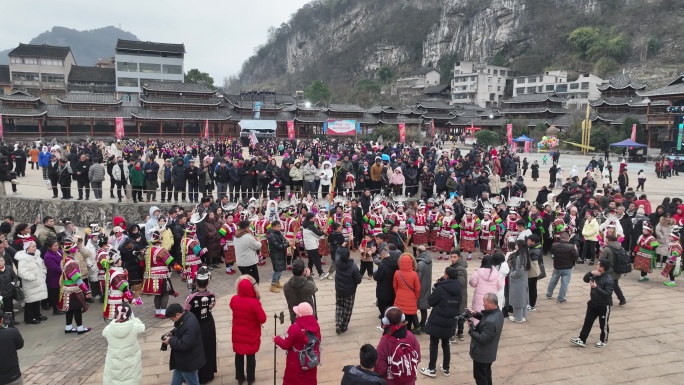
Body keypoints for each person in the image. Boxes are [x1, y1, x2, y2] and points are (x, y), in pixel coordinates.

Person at [420, 267, 460, 378]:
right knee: (446, 343)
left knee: (434, 344)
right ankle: (446, 368)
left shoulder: (441, 288)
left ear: (446, 276)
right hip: (450, 320)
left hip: (438, 320)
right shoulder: (458, 289)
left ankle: (431, 368)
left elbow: (431, 301)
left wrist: (436, 286)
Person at [229, 274, 267, 385]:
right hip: (251, 334)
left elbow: (232, 307)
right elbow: (262, 319)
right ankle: (251, 378)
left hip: (237, 333)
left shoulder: (234, 300)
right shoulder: (254, 303)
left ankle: (240, 377)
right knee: (251, 356)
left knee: (238, 355)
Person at [183, 266, 217, 384]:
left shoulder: (191, 297)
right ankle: (208, 373)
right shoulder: (212, 295)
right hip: (208, 323)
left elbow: (185, 311)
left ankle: (197, 374)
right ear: (207, 282)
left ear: (196, 282)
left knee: (196, 350)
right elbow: (212, 306)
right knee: (208, 346)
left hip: (195, 325)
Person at [274, 302, 321, 385]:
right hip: (310, 361)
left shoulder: (294, 328)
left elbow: (286, 345)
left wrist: (277, 339)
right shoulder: (315, 325)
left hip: (296, 364)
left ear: (300, 315)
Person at [570, 259, 614, 348]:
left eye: (597, 265)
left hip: (603, 305)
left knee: (603, 324)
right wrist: (590, 273)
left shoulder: (609, 280)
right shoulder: (596, 274)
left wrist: (596, 287)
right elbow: (585, 279)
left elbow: (607, 294)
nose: (596, 266)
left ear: (602, 268)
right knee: (587, 322)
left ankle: (603, 340)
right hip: (593, 303)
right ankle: (582, 339)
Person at [375, 307, 421, 385]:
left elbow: (380, 368)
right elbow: (418, 357)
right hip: (409, 379)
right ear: (402, 318)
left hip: (391, 381)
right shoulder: (410, 335)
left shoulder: (384, 341)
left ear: (385, 321)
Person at [162, 303, 206, 385]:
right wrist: (172, 332)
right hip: (182, 361)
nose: (172, 320)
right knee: (175, 383)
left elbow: (185, 344)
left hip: (188, 362)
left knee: (193, 383)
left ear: (177, 314)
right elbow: (180, 328)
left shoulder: (189, 324)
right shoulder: (187, 316)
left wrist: (170, 340)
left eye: (172, 319)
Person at [102, 303, 145, 385]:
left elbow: (103, 334)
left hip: (113, 363)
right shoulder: (135, 326)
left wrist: (113, 321)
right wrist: (133, 318)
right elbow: (142, 327)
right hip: (131, 362)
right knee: (132, 379)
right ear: (129, 315)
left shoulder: (107, 329)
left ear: (115, 314)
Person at [468, 293, 504, 385]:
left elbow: (482, 339)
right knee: (486, 374)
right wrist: (475, 314)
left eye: (484, 302)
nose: (483, 304)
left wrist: (471, 329)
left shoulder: (490, 322)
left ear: (491, 303)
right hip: (489, 353)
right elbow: (486, 318)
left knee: (480, 378)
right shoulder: (498, 313)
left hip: (482, 355)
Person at [58, 237, 93, 334]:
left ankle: (68, 327)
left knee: (69, 309)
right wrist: (87, 291)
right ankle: (80, 328)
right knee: (77, 309)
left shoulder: (64, 260)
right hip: (73, 290)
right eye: (75, 247)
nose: (76, 249)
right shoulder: (71, 263)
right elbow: (77, 279)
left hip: (66, 289)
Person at [15, 241, 48, 325]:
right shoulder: (23, 259)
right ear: (27, 248)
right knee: (30, 301)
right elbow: (21, 272)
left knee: (37, 299)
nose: (35, 248)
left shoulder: (37, 256)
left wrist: (43, 273)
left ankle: (37, 315)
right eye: (33, 247)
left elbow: (42, 265)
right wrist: (32, 277)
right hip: (30, 283)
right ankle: (29, 318)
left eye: (35, 246)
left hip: (39, 281)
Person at [335, 247, 362, 334]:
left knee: (339, 305)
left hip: (339, 289)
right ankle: (344, 326)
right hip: (350, 291)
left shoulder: (337, 262)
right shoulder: (353, 267)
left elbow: (337, 252)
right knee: (348, 309)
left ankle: (338, 323)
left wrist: (341, 246)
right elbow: (358, 280)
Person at [545, 231, 578, 303]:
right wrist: (576, 250)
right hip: (567, 267)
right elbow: (576, 257)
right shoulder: (571, 247)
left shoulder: (554, 245)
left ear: (560, 238)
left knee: (553, 280)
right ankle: (561, 298)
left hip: (557, 266)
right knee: (564, 283)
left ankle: (549, 294)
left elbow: (552, 253)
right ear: (568, 238)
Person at [393, 253, 421, 334]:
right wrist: (415, 297)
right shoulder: (414, 274)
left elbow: (395, 286)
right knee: (409, 319)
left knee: (400, 319)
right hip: (411, 299)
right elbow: (418, 288)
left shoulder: (397, 273)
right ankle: (408, 333)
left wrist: (398, 294)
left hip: (399, 298)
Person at [283, 259, 318, 323]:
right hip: (308, 316)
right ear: (303, 271)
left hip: (294, 316)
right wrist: (309, 277)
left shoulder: (286, 286)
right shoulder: (308, 284)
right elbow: (314, 289)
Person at [600, 233, 628, 305]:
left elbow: (601, 259)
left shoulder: (607, 249)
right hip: (618, 269)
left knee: (608, 286)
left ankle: (610, 301)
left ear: (609, 241)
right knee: (615, 285)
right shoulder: (621, 247)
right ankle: (622, 299)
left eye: (606, 239)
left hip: (610, 270)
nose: (605, 240)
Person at [508, 239, 530, 323]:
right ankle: (523, 315)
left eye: (516, 245)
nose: (515, 246)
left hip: (518, 281)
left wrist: (511, 274)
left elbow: (518, 271)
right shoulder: (525, 255)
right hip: (523, 279)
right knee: (523, 298)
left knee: (518, 299)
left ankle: (518, 317)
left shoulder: (519, 257)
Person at [448, 250, 468, 341]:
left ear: (459, 257)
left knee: (456, 314)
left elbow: (461, 283)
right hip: (460, 296)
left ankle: (455, 334)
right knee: (460, 313)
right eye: (451, 257)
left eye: (454, 257)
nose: (452, 259)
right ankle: (460, 333)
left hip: (459, 296)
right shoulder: (458, 266)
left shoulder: (459, 268)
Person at [267, 220, 291, 293]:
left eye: (279, 226)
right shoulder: (271, 235)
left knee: (280, 269)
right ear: (273, 227)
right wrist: (288, 245)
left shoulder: (278, 233)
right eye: (277, 226)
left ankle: (277, 282)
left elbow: (283, 239)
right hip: (275, 254)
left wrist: (288, 241)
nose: (279, 228)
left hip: (280, 253)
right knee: (277, 270)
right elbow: (277, 246)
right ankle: (273, 285)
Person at [0, 311, 23, 384]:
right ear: (2, 320)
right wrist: (11, 327)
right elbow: (19, 345)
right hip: (14, 376)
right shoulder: (12, 332)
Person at [415, 246, 432, 333]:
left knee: (415, 306)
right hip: (427, 286)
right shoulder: (429, 260)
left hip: (420, 287)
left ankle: (418, 325)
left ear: (418, 252)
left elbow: (418, 278)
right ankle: (422, 324)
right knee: (423, 307)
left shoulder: (420, 263)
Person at [0, 253, 19, 327]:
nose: (0, 263)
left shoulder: (8, 268)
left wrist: (13, 283)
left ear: (4, 261)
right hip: (0, 296)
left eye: (1, 261)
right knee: (2, 311)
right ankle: (4, 324)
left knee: (9, 309)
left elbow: (14, 277)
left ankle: (9, 323)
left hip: (9, 294)